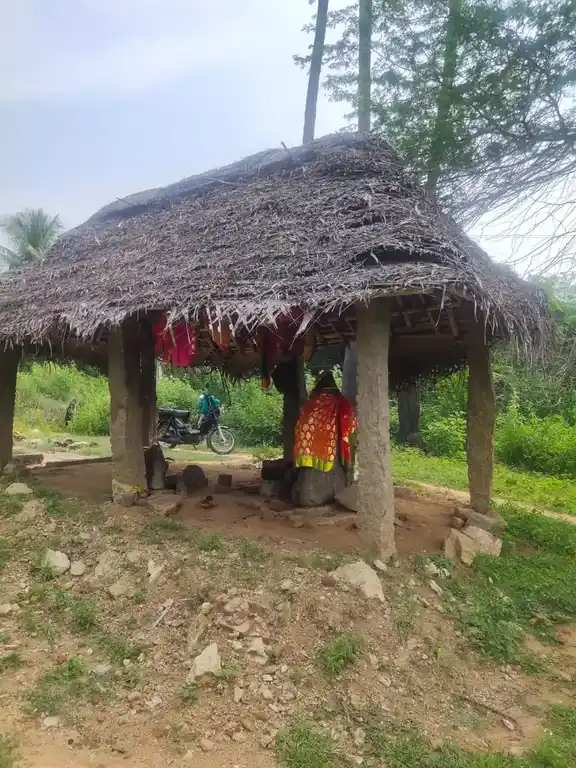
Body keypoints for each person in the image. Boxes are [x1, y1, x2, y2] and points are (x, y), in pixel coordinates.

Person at [293, 373, 357, 476]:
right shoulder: (342, 401)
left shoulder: (313, 402)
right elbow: (351, 423)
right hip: (333, 445)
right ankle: (348, 469)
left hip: (307, 444)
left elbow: (300, 424)